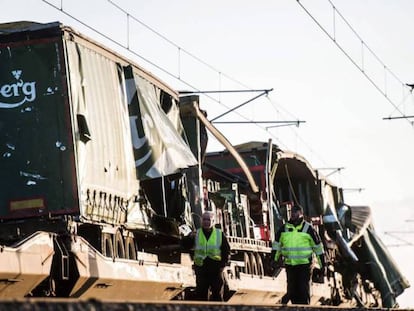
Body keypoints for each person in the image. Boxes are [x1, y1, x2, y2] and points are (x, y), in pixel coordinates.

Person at [271, 205, 325, 305]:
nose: (292, 214)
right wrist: (274, 260)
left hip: (305, 265)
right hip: (290, 265)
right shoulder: (284, 229)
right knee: (292, 291)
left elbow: (318, 248)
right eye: (292, 212)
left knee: (303, 290)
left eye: (295, 212)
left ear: (300, 214)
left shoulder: (308, 229)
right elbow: (277, 246)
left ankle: (304, 307)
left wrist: (322, 265)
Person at [193, 211, 230, 301]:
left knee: (217, 295)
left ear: (213, 221)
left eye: (208, 220)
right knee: (201, 295)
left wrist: (222, 265)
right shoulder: (196, 234)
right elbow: (186, 245)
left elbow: (226, 250)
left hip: (215, 269)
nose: (206, 222)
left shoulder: (219, 234)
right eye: (204, 219)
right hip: (201, 269)